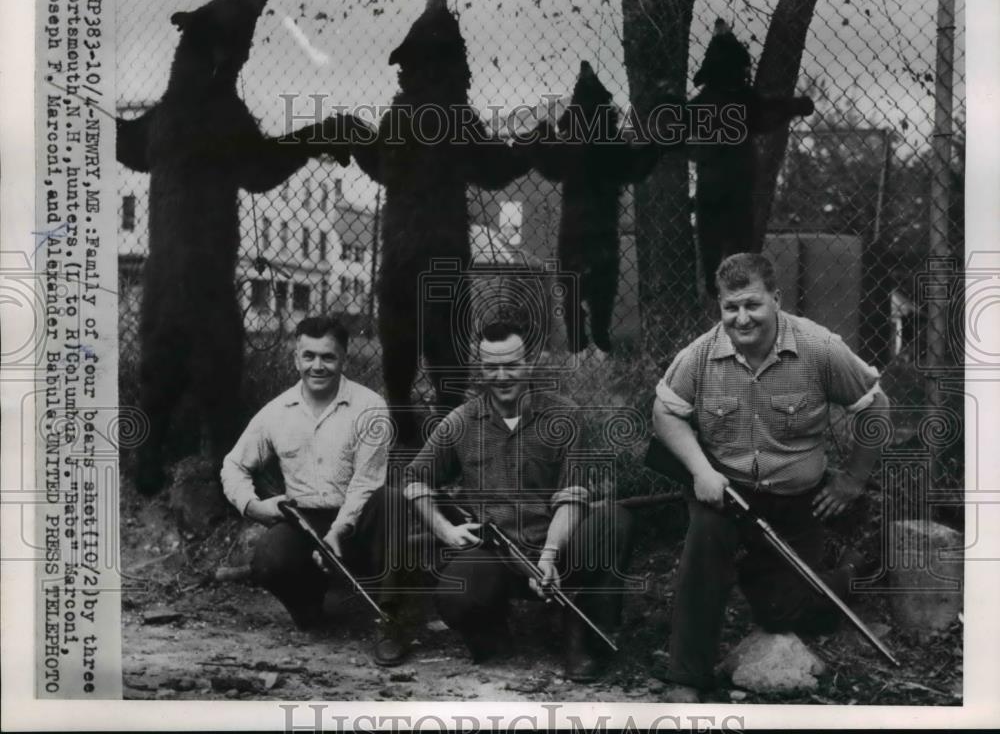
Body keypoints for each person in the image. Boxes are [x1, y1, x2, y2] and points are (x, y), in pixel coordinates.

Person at [651, 253, 889, 702]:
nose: (742, 318)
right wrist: (701, 471)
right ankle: (687, 676)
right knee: (704, 543)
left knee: (784, 613)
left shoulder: (819, 347)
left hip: (798, 503)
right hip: (726, 495)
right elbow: (665, 411)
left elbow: (877, 408)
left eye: (752, 305)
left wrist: (852, 481)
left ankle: (849, 575)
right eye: (731, 307)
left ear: (776, 300)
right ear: (720, 308)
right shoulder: (699, 355)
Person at [400, 319, 634, 681]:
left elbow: (571, 497)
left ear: (531, 362)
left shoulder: (564, 415)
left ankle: (580, 638)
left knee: (613, 520)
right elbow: (414, 478)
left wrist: (551, 553)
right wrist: (445, 530)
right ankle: (494, 633)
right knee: (456, 596)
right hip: (496, 552)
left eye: (511, 364)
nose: (502, 376)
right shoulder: (461, 422)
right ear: (480, 369)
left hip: (558, 550)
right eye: (491, 367)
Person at [220, 316, 407, 665]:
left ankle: (389, 618)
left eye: (328, 357)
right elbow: (233, 465)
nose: (317, 366)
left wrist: (340, 528)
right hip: (305, 520)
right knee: (270, 557)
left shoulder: (370, 407)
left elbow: (367, 482)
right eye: (308, 356)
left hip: (361, 518)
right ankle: (312, 608)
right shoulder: (275, 412)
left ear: (344, 360)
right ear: (295, 359)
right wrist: (252, 506)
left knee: (392, 502)